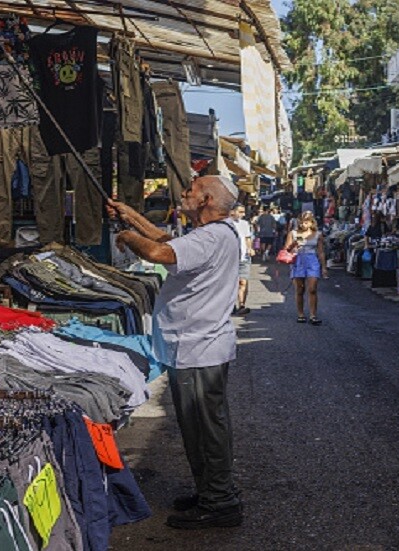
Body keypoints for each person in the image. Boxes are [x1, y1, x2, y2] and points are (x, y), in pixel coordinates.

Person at [109, 175, 243, 529]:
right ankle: (211, 491)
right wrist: (132, 217)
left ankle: (220, 502)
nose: (184, 193)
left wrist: (128, 237)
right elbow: (169, 243)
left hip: (199, 350)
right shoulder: (214, 235)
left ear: (207, 200)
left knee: (205, 429)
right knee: (200, 427)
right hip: (197, 348)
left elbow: (159, 252)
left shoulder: (211, 236)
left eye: (191, 190)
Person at [284, 210, 327, 325]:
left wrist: (324, 267)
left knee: (312, 288)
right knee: (300, 289)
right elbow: (287, 249)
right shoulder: (293, 233)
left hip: (312, 261)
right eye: (302, 222)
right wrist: (294, 244)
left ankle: (313, 315)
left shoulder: (317, 234)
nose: (303, 224)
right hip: (298, 260)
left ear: (312, 222)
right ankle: (301, 314)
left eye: (306, 222)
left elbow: (321, 251)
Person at [231, 204, 255, 316]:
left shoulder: (244, 224)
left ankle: (242, 305)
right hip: (230, 258)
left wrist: (250, 248)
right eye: (240, 212)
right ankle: (231, 306)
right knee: (232, 283)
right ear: (232, 212)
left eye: (243, 212)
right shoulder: (226, 224)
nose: (243, 214)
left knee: (243, 281)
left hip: (244, 257)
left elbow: (247, 238)